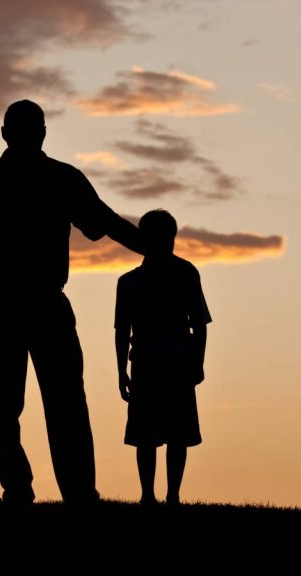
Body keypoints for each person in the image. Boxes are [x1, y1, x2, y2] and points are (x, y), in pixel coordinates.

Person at [0, 99, 144, 506]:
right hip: (18, 300)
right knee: (39, 401)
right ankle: (53, 490)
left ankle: (53, 490)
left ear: (11, 134)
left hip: (19, 301)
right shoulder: (48, 178)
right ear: (38, 134)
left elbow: (103, 220)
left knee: (39, 400)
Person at [114, 209, 211, 506]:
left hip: (172, 363)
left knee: (171, 434)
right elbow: (122, 330)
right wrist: (121, 371)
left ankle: (169, 496)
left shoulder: (183, 274)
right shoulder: (132, 282)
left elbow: (199, 323)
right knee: (151, 435)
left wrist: (197, 362)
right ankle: (152, 496)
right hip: (151, 363)